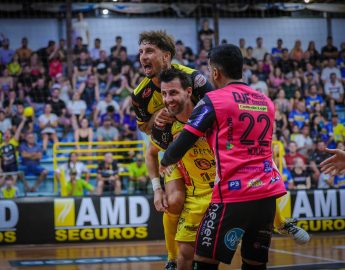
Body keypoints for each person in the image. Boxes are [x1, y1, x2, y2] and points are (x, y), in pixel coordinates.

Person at [159, 44, 290, 270]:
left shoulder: (213, 101)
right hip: (267, 195)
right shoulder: (265, 101)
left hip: (233, 194)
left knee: (204, 260)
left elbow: (181, 144)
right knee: (254, 263)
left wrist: (165, 161)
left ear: (216, 72)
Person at [131, 30, 213, 270]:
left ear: (166, 56)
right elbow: (147, 130)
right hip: (171, 146)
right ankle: (171, 259)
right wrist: (158, 118)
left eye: (149, 51)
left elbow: (216, 110)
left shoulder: (194, 79)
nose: (143, 57)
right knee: (174, 201)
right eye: (141, 52)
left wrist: (183, 117)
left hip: (201, 142)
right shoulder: (140, 95)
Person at [146, 69, 215, 270]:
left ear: (188, 91)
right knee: (174, 201)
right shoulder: (165, 123)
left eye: (173, 93)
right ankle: (171, 258)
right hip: (187, 177)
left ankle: (281, 223)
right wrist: (157, 189)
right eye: (164, 94)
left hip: (216, 180)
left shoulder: (210, 113)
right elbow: (150, 155)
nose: (167, 99)